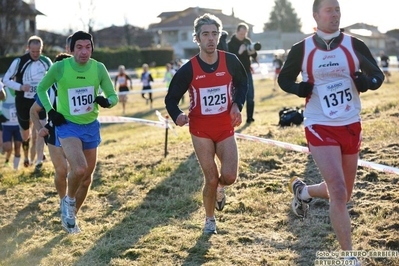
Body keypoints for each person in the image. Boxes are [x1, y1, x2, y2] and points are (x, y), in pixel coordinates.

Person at [278, 0, 384, 264]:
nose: (335, 14)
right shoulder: (302, 49)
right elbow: (283, 80)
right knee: (338, 192)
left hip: (350, 124)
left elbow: (377, 76)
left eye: (337, 9)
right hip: (318, 123)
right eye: (329, 10)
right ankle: (349, 257)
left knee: (344, 192)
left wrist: (366, 82)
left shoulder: (354, 44)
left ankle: (303, 191)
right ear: (316, 15)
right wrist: (299, 89)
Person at [165, 13, 248, 234]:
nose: (210, 39)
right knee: (210, 178)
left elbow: (243, 83)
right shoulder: (189, 68)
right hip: (201, 129)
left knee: (228, 176)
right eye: (205, 34)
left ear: (219, 36)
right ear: (197, 38)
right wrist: (178, 115)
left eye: (214, 34)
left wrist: (237, 105)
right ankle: (209, 220)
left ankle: (221, 189)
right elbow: (171, 99)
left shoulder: (230, 60)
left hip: (224, 126)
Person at [36, 30, 118, 234]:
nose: (84, 52)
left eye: (88, 47)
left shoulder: (98, 68)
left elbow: (113, 95)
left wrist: (107, 101)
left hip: (91, 126)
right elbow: (41, 89)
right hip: (68, 126)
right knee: (79, 169)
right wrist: (51, 111)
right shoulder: (60, 67)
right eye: (79, 47)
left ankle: (71, 216)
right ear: (70, 49)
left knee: (87, 178)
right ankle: (68, 201)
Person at [2, 35, 52, 170]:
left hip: (39, 99)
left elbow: (54, 78)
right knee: (25, 134)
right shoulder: (19, 61)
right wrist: (20, 87)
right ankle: (26, 156)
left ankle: (39, 161)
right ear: (28, 48)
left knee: (42, 127)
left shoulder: (46, 62)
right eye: (33, 51)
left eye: (38, 51)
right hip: (23, 101)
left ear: (42, 49)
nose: (36, 54)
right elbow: (6, 80)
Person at [31, 52, 72, 201]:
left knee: (74, 170)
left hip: (77, 131)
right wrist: (40, 128)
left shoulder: (79, 83)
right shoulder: (50, 88)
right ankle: (63, 202)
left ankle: (71, 198)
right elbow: (33, 111)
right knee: (61, 171)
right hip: (55, 132)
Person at [228, 22, 257, 124]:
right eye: (241, 34)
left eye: (245, 34)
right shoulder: (230, 44)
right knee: (234, 97)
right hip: (234, 74)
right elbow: (229, 60)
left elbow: (253, 54)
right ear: (236, 32)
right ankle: (233, 118)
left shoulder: (247, 41)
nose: (243, 36)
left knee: (250, 96)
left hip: (247, 72)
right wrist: (239, 52)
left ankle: (250, 118)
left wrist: (254, 53)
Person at [1, 84, 23, 170]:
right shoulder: (4, 91)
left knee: (18, 147)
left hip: (18, 125)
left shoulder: (22, 91)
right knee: (8, 147)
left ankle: (15, 168)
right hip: (7, 125)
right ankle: (5, 154)